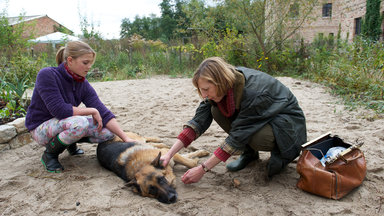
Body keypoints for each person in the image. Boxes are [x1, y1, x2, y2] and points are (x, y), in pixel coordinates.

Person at [160, 57, 307, 184]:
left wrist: (202, 169)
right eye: (201, 90)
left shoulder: (253, 93)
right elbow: (197, 122)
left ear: (220, 81)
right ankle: (250, 154)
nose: (204, 95)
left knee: (256, 137)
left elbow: (237, 136)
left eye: (206, 89)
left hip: (287, 127)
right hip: (260, 118)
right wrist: (169, 154)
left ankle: (281, 158)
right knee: (215, 110)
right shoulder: (221, 89)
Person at [25, 41, 136, 173]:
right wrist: (91, 110)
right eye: (85, 62)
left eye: (91, 63)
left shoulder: (81, 83)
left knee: (108, 132)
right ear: (70, 60)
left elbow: (103, 112)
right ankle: (50, 155)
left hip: (64, 124)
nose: (89, 67)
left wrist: (125, 138)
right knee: (80, 123)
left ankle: (70, 142)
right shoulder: (47, 75)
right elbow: (59, 110)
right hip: (40, 128)